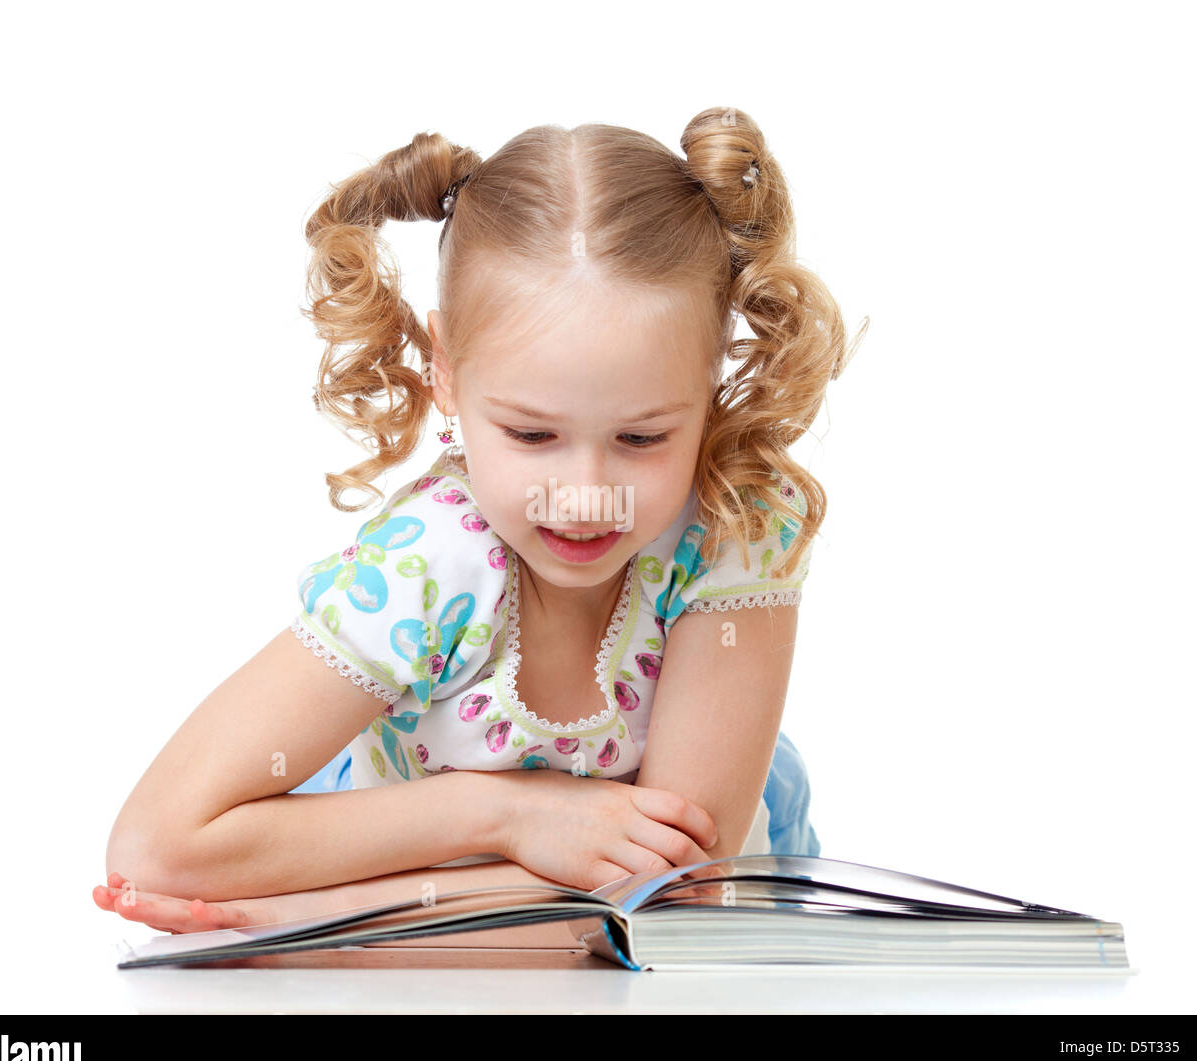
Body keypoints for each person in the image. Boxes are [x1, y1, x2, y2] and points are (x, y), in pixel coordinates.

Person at [93, 108, 866, 939]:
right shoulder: (427, 568)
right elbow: (153, 846)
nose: (582, 495)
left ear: (711, 387)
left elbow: (671, 903)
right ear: (447, 378)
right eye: (533, 435)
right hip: (436, 878)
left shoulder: (732, 521)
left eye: (642, 438)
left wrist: (325, 919)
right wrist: (503, 813)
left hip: (632, 927)